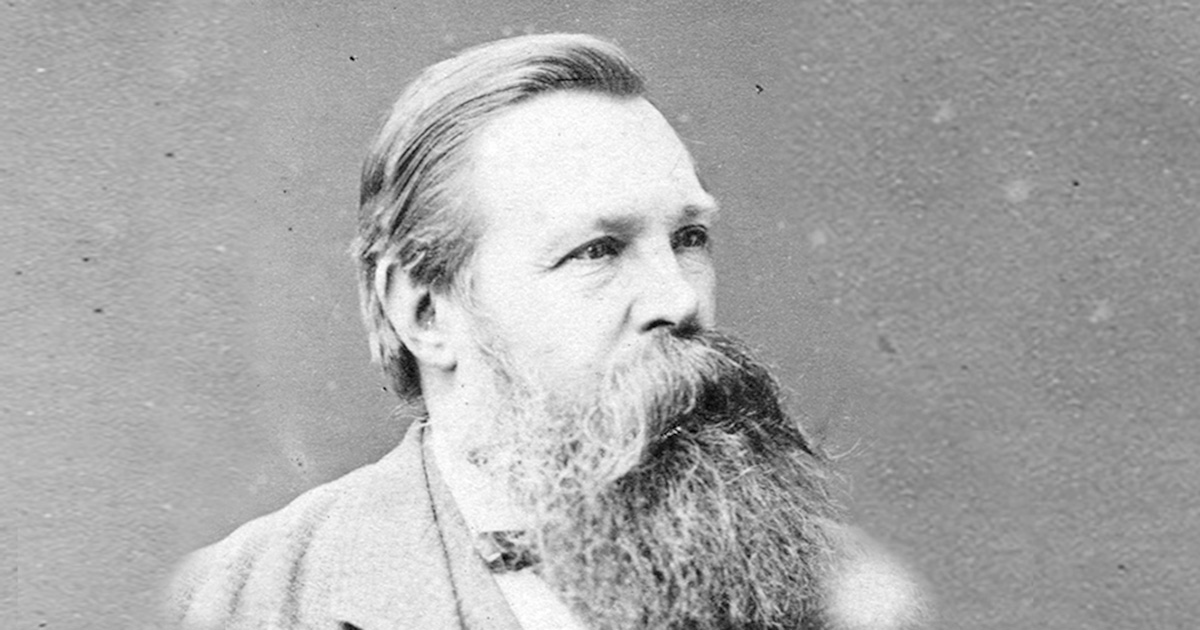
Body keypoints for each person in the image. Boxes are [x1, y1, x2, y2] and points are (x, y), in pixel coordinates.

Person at [166, 33, 927, 629]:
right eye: (597, 251)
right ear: (425, 312)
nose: (679, 299)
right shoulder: (234, 603)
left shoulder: (851, 598)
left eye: (689, 238)